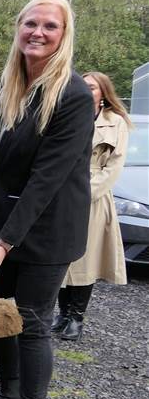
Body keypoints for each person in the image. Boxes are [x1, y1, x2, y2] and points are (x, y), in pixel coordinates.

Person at [0, 0, 94, 399]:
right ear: (18, 29)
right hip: (4, 221)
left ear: (64, 35)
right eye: (31, 24)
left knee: (33, 322)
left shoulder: (74, 95)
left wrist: (4, 241)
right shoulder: (13, 89)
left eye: (50, 26)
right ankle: (9, 397)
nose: (38, 33)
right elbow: (1, 157)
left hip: (46, 230)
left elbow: (47, 177)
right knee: (0, 314)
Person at [52, 71, 130, 341]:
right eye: (83, 87)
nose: (87, 91)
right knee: (60, 256)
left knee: (86, 260)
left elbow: (113, 167)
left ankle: (76, 317)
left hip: (92, 199)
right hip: (61, 195)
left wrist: (84, 194)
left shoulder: (115, 122)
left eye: (92, 88)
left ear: (103, 94)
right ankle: (61, 313)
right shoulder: (67, 117)